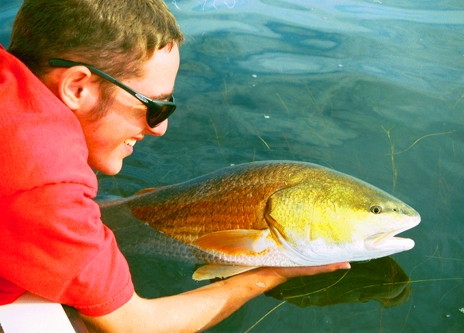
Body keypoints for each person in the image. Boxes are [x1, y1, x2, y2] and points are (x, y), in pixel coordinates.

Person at [0, 0, 350, 332]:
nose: (160, 127)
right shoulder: (44, 179)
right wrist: (271, 274)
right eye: (155, 105)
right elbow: (135, 325)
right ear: (78, 87)